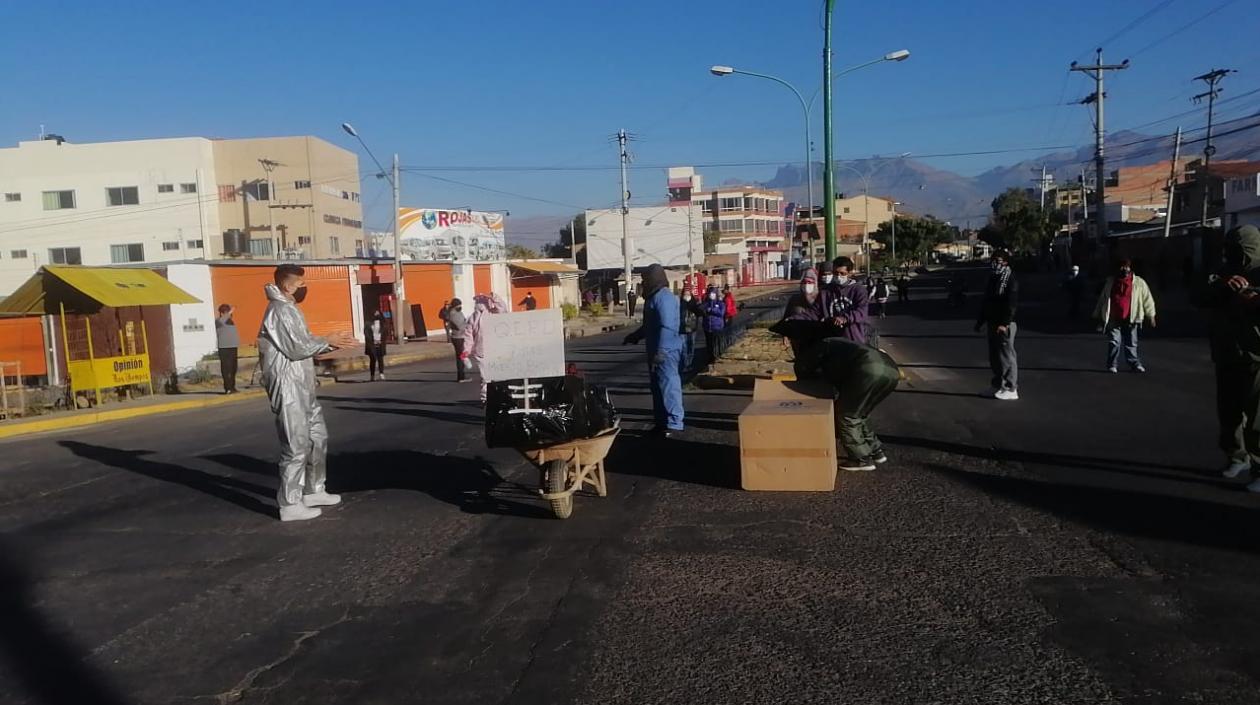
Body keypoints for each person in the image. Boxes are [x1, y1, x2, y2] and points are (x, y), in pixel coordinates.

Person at [257, 264, 345, 522]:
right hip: (288, 385)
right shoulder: (279, 310)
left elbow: (304, 346)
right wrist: (327, 339)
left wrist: (330, 343)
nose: (304, 288)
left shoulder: (291, 309)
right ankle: (289, 502)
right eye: (300, 284)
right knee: (295, 444)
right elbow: (296, 348)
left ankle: (314, 489)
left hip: (303, 384)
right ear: (287, 285)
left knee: (318, 437)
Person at [1198, 225, 1260, 486]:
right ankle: (1237, 456)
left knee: (1256, 417)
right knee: (1229, 413)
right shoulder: (1221, 273)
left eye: (1240, 249)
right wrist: (1223, 287)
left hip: (1256, 356)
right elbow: (1198, 295)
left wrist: (1253, 301)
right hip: (1225, 352)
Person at [794, 337, 900, 471]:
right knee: (861, 413)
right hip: (891, 370)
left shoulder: (817, 348)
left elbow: (803, 370)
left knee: (847, 415)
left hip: (868, 370)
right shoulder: (836, 343)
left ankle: (860, 459)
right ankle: (875, 450)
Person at [624, 264, 685, 437]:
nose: (643, 284)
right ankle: (661, 422)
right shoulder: (653, 298)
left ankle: (674, 423)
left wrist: (662, 351)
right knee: (658, 388)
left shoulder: (664, 298)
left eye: (645, 280)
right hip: (656, 352)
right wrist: (635, 336)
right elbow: (649, 326)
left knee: (669, 385)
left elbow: (668, 326)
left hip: (666, 352)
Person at [1093, 259, 1156, 373]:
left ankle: (1134, 363)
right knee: (1114, 342)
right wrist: (1097, 315)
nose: (1124, 269)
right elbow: (1103, 299)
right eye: (1122, 267)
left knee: (1131, 342)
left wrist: (1151, 315)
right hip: (1113, 317)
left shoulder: (1138, 283)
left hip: (1131, 317)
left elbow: (1148, 299)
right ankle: (1112, 364)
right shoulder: (1110, 282)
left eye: (1126, 267)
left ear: (1130, 268)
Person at [975, 249, 1020, 400]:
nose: (994, 263)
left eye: (998, 260)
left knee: (1007, 356)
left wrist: (1005, 323)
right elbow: (986, 302)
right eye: (993, 260)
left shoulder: (1010, 279)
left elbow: (1011, 304)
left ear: (1006, 262)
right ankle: (996, 385)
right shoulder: (993, 278)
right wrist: (980, 322)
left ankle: (1010, 387)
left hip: (1004, 324)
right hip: (991, 322)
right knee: (994, 357)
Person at [824, 257, 871, 345]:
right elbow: (815, 311)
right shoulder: (826, 291)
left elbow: (862, 312)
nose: (838, 276)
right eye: (835, 273)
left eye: (842, 273)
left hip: (855, 339)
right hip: (832, 339)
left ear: (849, 273)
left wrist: (845, 318)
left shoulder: (859, 290)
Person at [215, 303, 239, 394]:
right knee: (226, 369)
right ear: (221, 313)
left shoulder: (230, 322)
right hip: (224, 348)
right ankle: (227, 388)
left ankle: (233, 387)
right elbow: (222, 320)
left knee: (233, 368)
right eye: (226, 312)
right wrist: (230, 311)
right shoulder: (219, 321)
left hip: (233, 347)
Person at [701, 284, 727, 369]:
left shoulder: (720, 303)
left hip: (717, 327)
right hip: (707, 327)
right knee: (709, 345)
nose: (711, 295)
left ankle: (717, 358)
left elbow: (721, 313)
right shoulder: (706, 303)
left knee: (716, 344)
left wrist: (712, 310)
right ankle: (710, 359)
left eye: (713, 293)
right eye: (710, 293)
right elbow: (701, 310)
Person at [679, 287, 702, 373]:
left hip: (692, 328)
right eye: (685, 293)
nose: (687, 295)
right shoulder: (680, 304)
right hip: (682, 329)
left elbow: (698, 312)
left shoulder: (694, 304)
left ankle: (689, 363)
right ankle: (685, 364)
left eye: (688, 293)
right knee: (683, 348)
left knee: (691, 346)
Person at [446, 297, 469, 383]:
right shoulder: (454, 314)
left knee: (461, 356)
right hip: (458, 338)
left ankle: (462, 375)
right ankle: (461, 377)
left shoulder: (458, 312)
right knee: (460, 357)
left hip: (460, 337)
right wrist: (467, 324)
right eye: (459, 305)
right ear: (455, 306)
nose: (460, 306)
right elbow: (460, 326)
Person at [364, 311, 388, 381]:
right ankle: (372, 375)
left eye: (378, 313)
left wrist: (382, 340)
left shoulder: (383, 324)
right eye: (375, 313)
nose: (376, 314)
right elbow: (366, 333)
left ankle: (381, 373)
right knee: (373, 360)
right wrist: (371, 341)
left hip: (380, 344)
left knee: (380, 359)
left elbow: (386, 333)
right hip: (372, 344)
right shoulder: (368, 323)